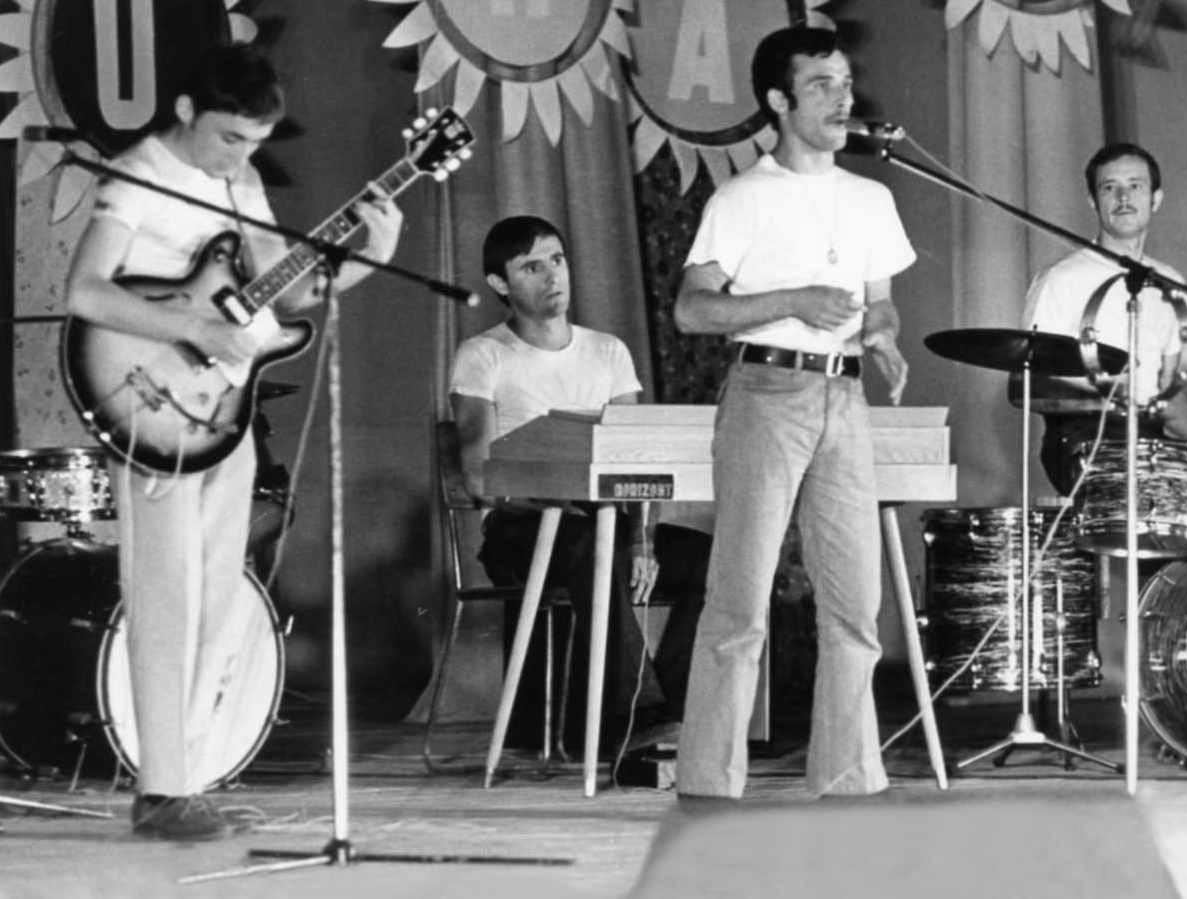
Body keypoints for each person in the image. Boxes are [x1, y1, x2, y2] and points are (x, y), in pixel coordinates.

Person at [65, 44, 403, 840]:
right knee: (166, 592)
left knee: (218, 593)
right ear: (186, 110)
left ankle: (191, 775)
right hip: (148, 396)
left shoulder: (240, 181)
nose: (239, 155)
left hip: (221, 406)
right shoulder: (135, 175)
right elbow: (85, 291)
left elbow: (284, 293)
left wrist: (371, 255)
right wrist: (189, 328)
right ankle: (161, 786)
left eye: (254, 141)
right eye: (228, 137)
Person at [672, 26, 915, 802]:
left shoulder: (871, 197)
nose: (841, 99)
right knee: (740, 601)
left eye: (844, 82)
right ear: (778, 100)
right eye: (820, 85)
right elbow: (692, 310)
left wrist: (881, 336)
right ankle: (709, 783)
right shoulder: (742, 197)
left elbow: (881, 303)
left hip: (844, 397)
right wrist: (792, 301)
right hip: (766, 393)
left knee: (855, 604)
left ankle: (847, 777)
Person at [450, 215, 706, 753]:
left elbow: (637, 459)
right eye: (531, 267)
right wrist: (551, 495)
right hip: (521, 529)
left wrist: (643, 541)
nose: (552, 276)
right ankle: (639, 714)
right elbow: (477, 472)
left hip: (606, 526)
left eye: (557, 260)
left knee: (715, 560)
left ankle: (675, 709)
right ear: (500, 283)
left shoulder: (608, 351)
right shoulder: (483, 354)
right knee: (591, 547)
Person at [1023, 141, 1187, 496]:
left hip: (1148, 440)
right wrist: (1108, 394)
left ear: (1156, 199)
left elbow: (1168, 391)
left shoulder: (1171, 282)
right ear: (1094, 201)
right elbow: (1033, 384)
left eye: (1135, 186)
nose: (1124, 198)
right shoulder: (1059, 280)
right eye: (1110, 188)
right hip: (1082, 437)